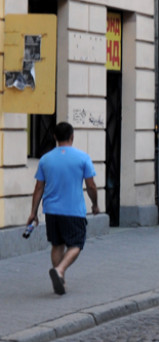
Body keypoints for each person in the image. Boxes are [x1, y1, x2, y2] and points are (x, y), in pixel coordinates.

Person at [25, 122, 100, 295]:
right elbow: (91, 186)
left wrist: (33, 213)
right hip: (73, 210)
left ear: (54, 137)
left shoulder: (45, 159)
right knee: (76, 244)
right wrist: (95, 204)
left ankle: (60, 279)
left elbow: (38, 188)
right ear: (72, 136)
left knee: (57, 244)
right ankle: (60, 271)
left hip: (51, 210)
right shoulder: (83, 158)